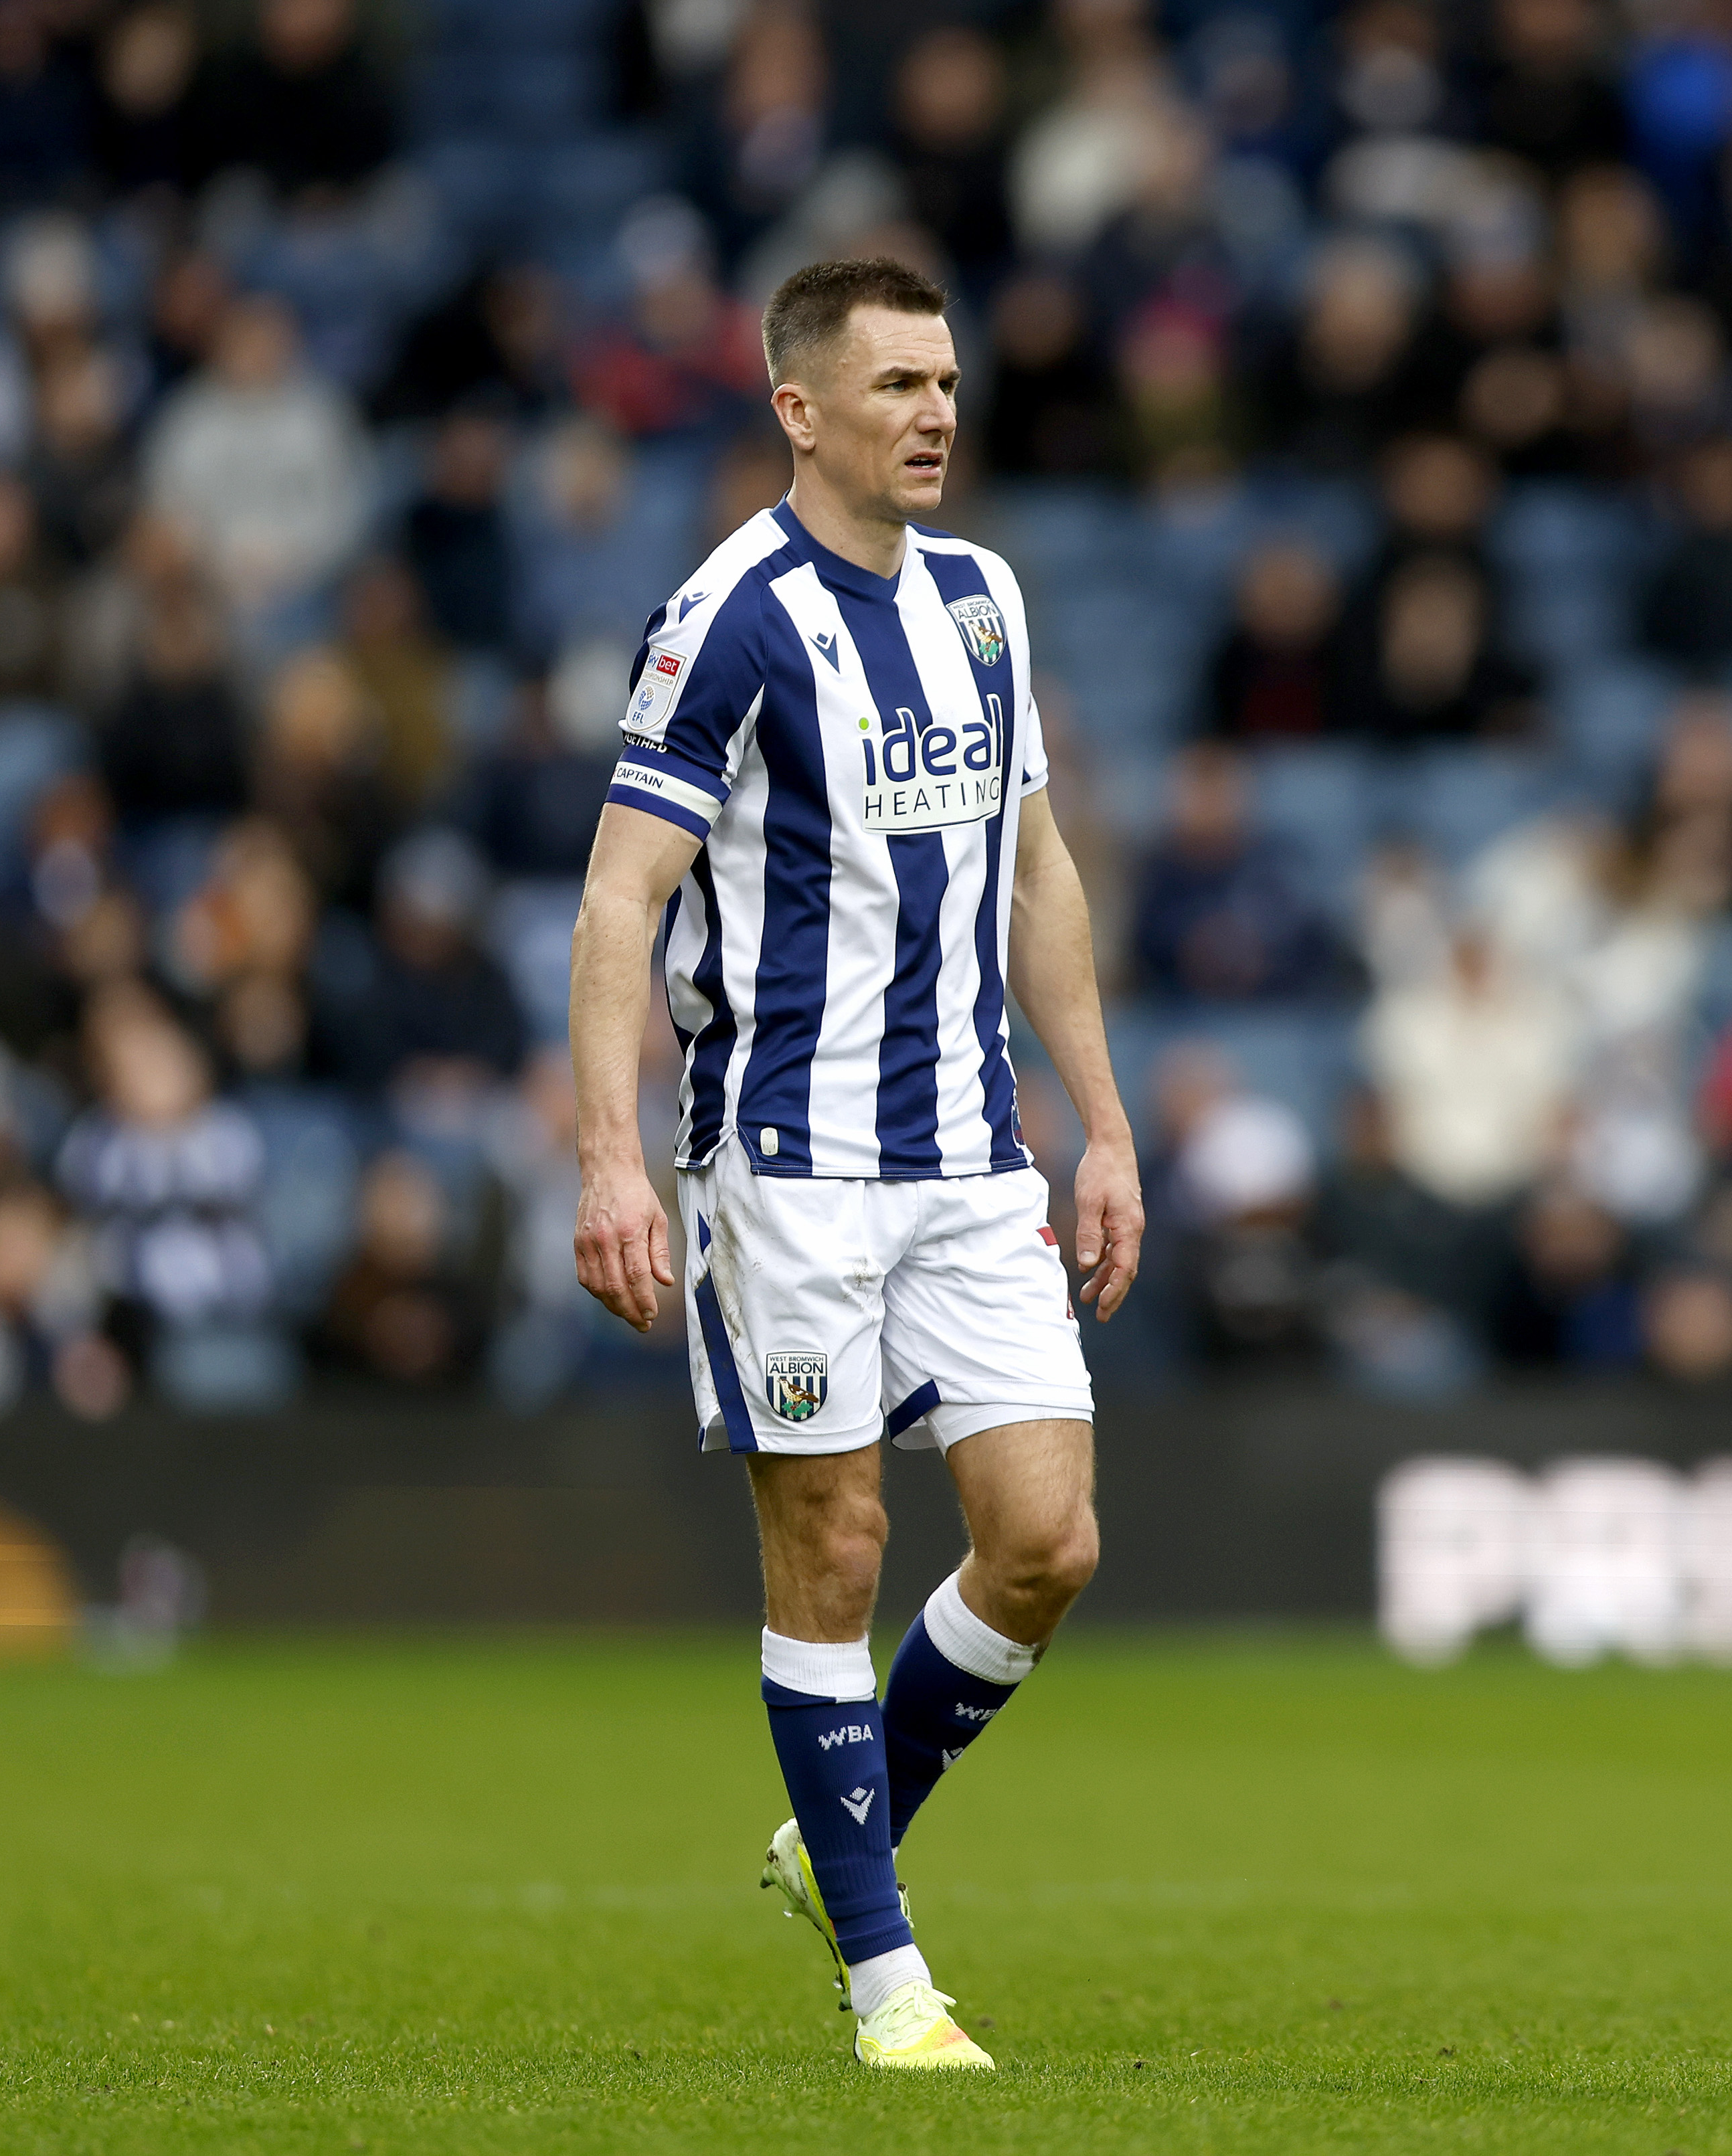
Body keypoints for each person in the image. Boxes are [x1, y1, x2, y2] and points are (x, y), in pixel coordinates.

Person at [567, 258, 1140, 2073]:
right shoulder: (728, 616)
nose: (937, 413)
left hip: (973, 1156)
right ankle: (891, 1985)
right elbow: (619, 897)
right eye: (896, 384)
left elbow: (1037, 870)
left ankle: (841, 1832)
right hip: (792, 1170)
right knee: (838, 1544)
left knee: (1047, 1543)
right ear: (800, 411)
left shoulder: (984, 601)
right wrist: (609, 1158)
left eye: (948, 381)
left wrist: (1104, 1120)